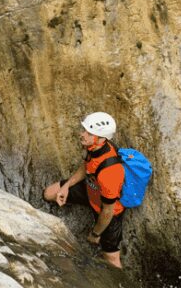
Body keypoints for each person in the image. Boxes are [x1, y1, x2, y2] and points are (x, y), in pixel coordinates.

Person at [43, 112, 126, 268]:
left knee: (112, 260)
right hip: (90, 189)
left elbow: (108, 211)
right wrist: (67, 186)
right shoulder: (93, 148)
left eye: (89, 133)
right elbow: (87, 166)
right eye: (85, 130)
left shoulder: (110, 172)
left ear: (101, 139)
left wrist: (95, 233)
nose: (82, 134)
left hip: (107, 210)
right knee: (49, 193)